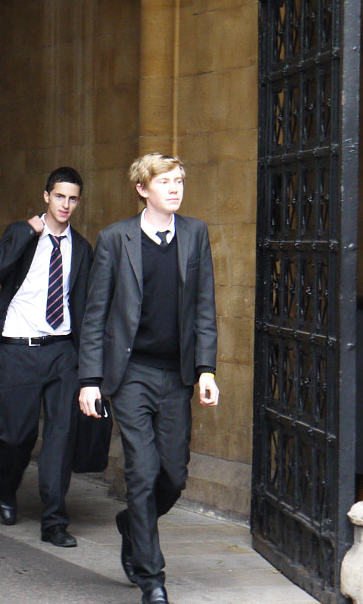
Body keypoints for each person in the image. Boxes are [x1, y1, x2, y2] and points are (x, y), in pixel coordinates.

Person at [78, 154, 219, 604]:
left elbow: (203, 308)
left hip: (175, 375)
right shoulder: (115, 239)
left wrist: (206, 369)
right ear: (143, 189)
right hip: (131, 373)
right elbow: (96, 314)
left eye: (179, 180)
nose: (175, 189)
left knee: (173, 476)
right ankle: (151, 577)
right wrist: (90, 379)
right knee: (142, 472)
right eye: (165, 182)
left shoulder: (195, 234)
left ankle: (131, 525)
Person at [0, 167, 93, 548]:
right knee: (18, 436)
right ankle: (6, 486)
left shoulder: (82, 249)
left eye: (73, 198)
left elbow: (84, 308)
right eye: (59, 196)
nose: (66, 204)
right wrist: (27, 232)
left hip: (62, 351)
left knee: (61, 438)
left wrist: (89, 364)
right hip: (18, 350)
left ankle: (54, 522)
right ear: (46, 196)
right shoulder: (22, 233)